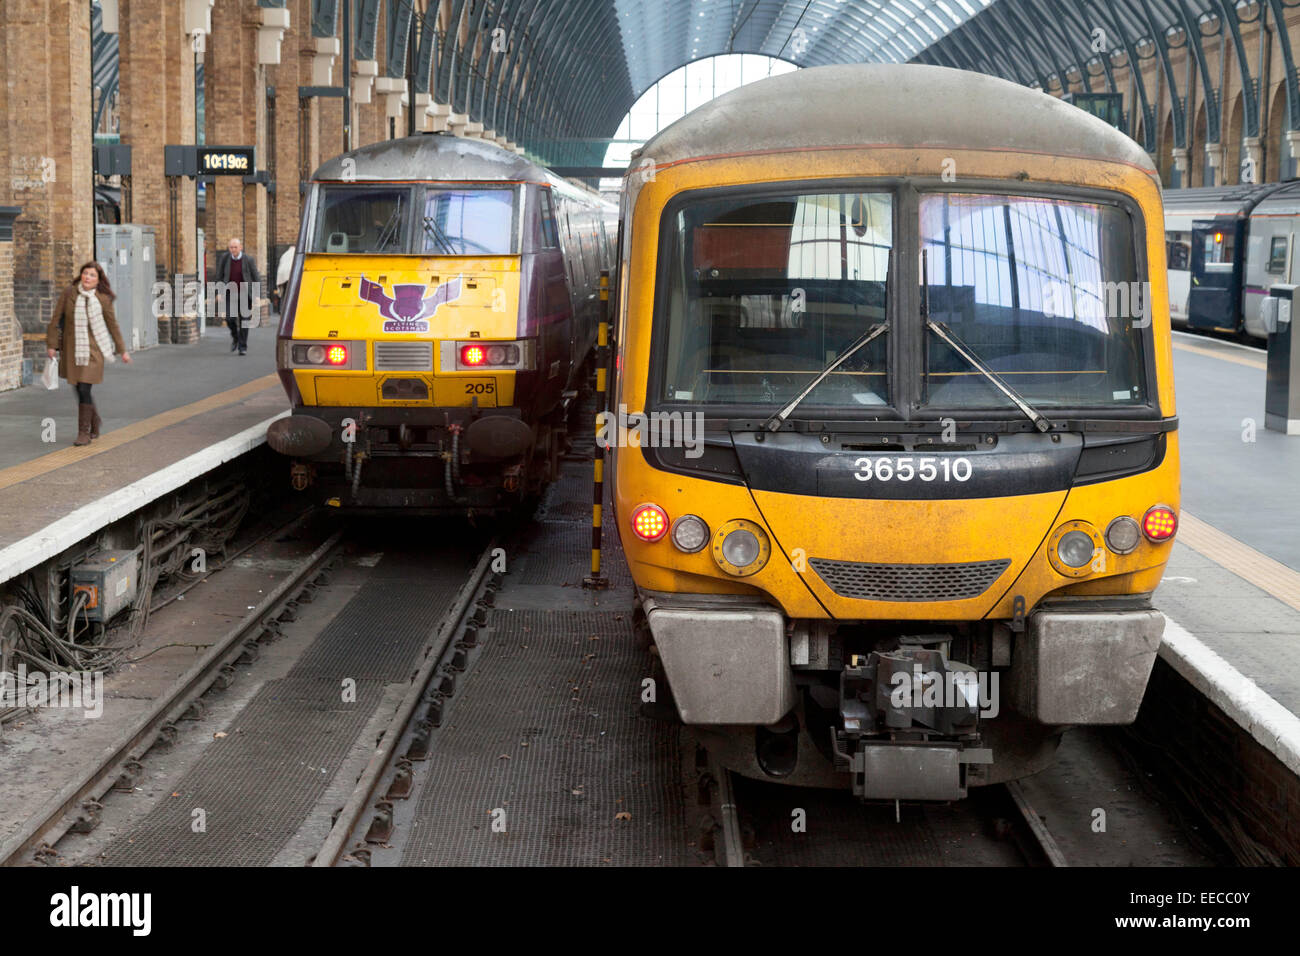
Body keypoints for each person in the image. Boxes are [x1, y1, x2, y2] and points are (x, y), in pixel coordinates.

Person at [46, 262, 132, 446]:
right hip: (72, 350)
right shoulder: (69, 293)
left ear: (98, 280)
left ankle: (83, 433)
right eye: (85, 273)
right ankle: (94, 420)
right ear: (81, 275)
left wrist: (122, 350)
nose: (87, 278)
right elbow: (56, 319)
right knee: (77, 388)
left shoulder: (103, 298)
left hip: (94, 351)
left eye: (92, 275)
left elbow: (112, 325)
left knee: (85, 388)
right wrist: (52, 344)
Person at [215, 237, 261, 355]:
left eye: (235, 247)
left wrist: (257, 295)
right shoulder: (225, 258)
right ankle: (235, 337)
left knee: (244, 321)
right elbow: (219, 276)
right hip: (230, 293)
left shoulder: (248, 260)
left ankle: (242, 347)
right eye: (231, 247)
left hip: (245, 294)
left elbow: (256, 277)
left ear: (240, 247)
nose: (233, 249)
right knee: (230, 319)